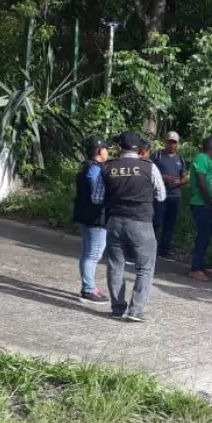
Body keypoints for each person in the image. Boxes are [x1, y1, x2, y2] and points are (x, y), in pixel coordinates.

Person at [92, 131, 166, 321]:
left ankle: (117, 308)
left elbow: (96, 198)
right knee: (145, 268)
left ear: (119, 147)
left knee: (116, 265)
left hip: (115, 221)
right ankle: (136, 310)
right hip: (141, 222)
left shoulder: (107, 168)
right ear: (139, 148)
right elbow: (161, 195)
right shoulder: (149, 167)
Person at [73, 136, 110, 304]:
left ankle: (87, 287)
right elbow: (96, 192)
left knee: (87, 253)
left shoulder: (86, 166)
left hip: (85, 215)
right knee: (93, 254)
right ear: (99, 151)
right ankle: (89, 289)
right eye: (106, 149)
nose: (108, 152)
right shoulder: (95, 169)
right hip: (96, 217)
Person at [188, 136, 212, 281]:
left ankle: (201, 266)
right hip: (201, 203)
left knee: (207, 235)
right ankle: (195, 268)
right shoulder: (201, 158)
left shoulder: (210, 162)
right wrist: (208, 201)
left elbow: (211, 180)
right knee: (203, 235)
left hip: (208, 202)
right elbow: (201, 181)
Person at [152, 131, 188, 259]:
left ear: (178, 144)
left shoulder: (181, 159)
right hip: (159, 195)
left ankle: (164, 250)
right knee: (156, 222)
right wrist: (163, 177)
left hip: (175, 195)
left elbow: (185, 177)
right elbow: (149, 171)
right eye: (169, 142)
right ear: (165, 142)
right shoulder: (157, 156)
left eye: (174, 142)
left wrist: (179, 182)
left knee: (170, 224)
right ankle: (152, 248)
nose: (172, 145)